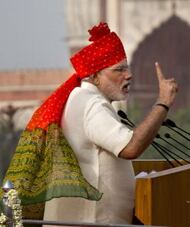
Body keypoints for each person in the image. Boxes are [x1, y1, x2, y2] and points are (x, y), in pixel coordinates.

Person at [3, 22, 177, 224]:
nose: (128, 75)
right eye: (119, 70)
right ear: (95, 76)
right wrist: (163, 102)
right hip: (93, 220)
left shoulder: (85, 99)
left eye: (127, 68)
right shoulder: (91, 104)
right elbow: (130, 147)